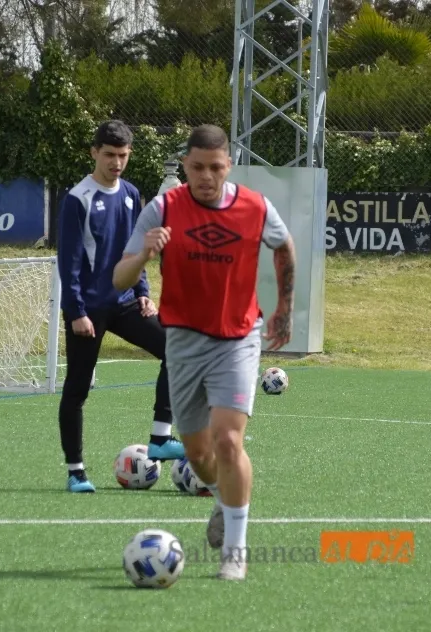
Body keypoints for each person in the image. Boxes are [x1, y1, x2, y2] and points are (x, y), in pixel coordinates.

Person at [113, 123, 296, 581]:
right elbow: (118, 277)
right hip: (184, 342)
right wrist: (144, 256)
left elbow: (285, 248)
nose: (207, 177)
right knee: (197, 453)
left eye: (216, 167)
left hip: (238, 339)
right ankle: (220, 497)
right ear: (185, 166)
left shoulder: (255, 207)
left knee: (228, 441)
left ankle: (235, 549)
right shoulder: (163, 208)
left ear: (229, 166)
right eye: (197, 167)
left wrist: (284, 311)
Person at [56, 119, 185, 494]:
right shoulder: (77, 199)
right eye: (110, 155)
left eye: (123, 155)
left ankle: (161, 436)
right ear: (94, 152)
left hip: (126, 301)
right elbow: (70, 261)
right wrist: (76, 311)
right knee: (77, 389)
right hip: (89, 309)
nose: (116, 162)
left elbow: (136, 247)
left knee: (175, 348)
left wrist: (143, 289)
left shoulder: (130, 193)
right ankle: (76, 471)